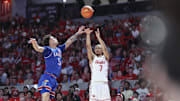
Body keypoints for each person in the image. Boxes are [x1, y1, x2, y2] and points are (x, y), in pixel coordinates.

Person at [29, 26, 85, 101]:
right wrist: (34, 43)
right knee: (45, 97)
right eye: (53, 38)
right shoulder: (48, 50)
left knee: (48, 99)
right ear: (49, 42)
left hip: (54, 79)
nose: (55, 38)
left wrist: (77, 33)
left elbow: (69, 41)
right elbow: (38, 48)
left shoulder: (59, 49)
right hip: (47, 77)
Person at [85, 28, 111, 101]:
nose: (97, 49)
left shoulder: (105, 57)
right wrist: (88, 35)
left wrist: (99, 37)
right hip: (94, 84)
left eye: (99, 48)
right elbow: (88, 47)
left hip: (104, 84)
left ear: (102, 50)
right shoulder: (93, 58)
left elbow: (105, 49)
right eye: (96, 48)